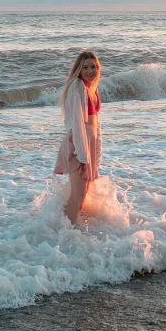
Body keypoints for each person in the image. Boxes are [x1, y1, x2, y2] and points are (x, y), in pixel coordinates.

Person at [54, 51, 103, 224]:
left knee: (84, 193)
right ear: (78, 69)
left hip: (86, 145)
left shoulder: (90, 88)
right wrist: (82, 154)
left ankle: (72, 230)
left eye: (93, 66)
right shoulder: (77, 87)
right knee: (77, 194)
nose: (90, 71)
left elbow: (94, 125)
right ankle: (63, 233)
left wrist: (95, 151)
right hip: (77, 145)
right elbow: (76, 123)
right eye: (85, 67)